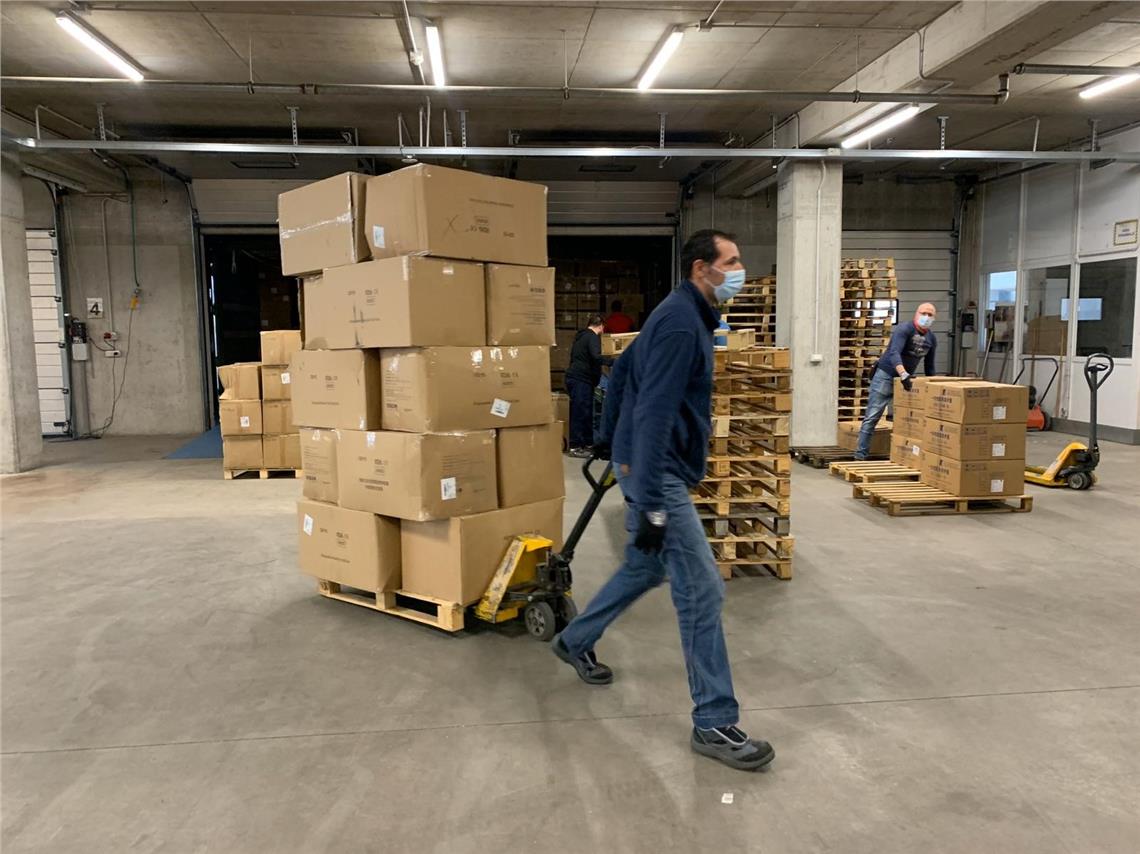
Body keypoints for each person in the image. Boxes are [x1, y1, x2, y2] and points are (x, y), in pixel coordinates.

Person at [551, 229, 775, 773]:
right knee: (702, 591)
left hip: (649, 467)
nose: (739, 271)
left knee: (645, 568)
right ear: (702, 268)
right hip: (661, 476)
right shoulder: (679, 323)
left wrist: (612, 442)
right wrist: (651, 499)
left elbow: (625, 371)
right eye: (731, 262)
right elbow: (652, 410)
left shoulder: (682, 315)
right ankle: (713, 721)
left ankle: (574, 639)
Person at [854, 302, 938, 461]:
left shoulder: (931, 339)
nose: (926, 317)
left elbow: (930, 366)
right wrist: (903, 374)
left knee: (908, 418)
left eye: (930, 315)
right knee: (873, 415)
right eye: (923, 313)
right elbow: (894, 353)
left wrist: (932, 387)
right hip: (886, 375)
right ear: (916, 314)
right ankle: (860, 455)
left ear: (934, 318)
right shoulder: (904, 329)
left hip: (906, 380)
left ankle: (904, 456)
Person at [565, 314, 612, 458]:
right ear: (601, 326)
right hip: (581, 379)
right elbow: (596, 356)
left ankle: (587, 444)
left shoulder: (581, 337)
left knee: (584, 412)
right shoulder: (592, 337)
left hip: (578, 378)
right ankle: (575, 446)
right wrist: (612, 361)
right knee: (580, 412)